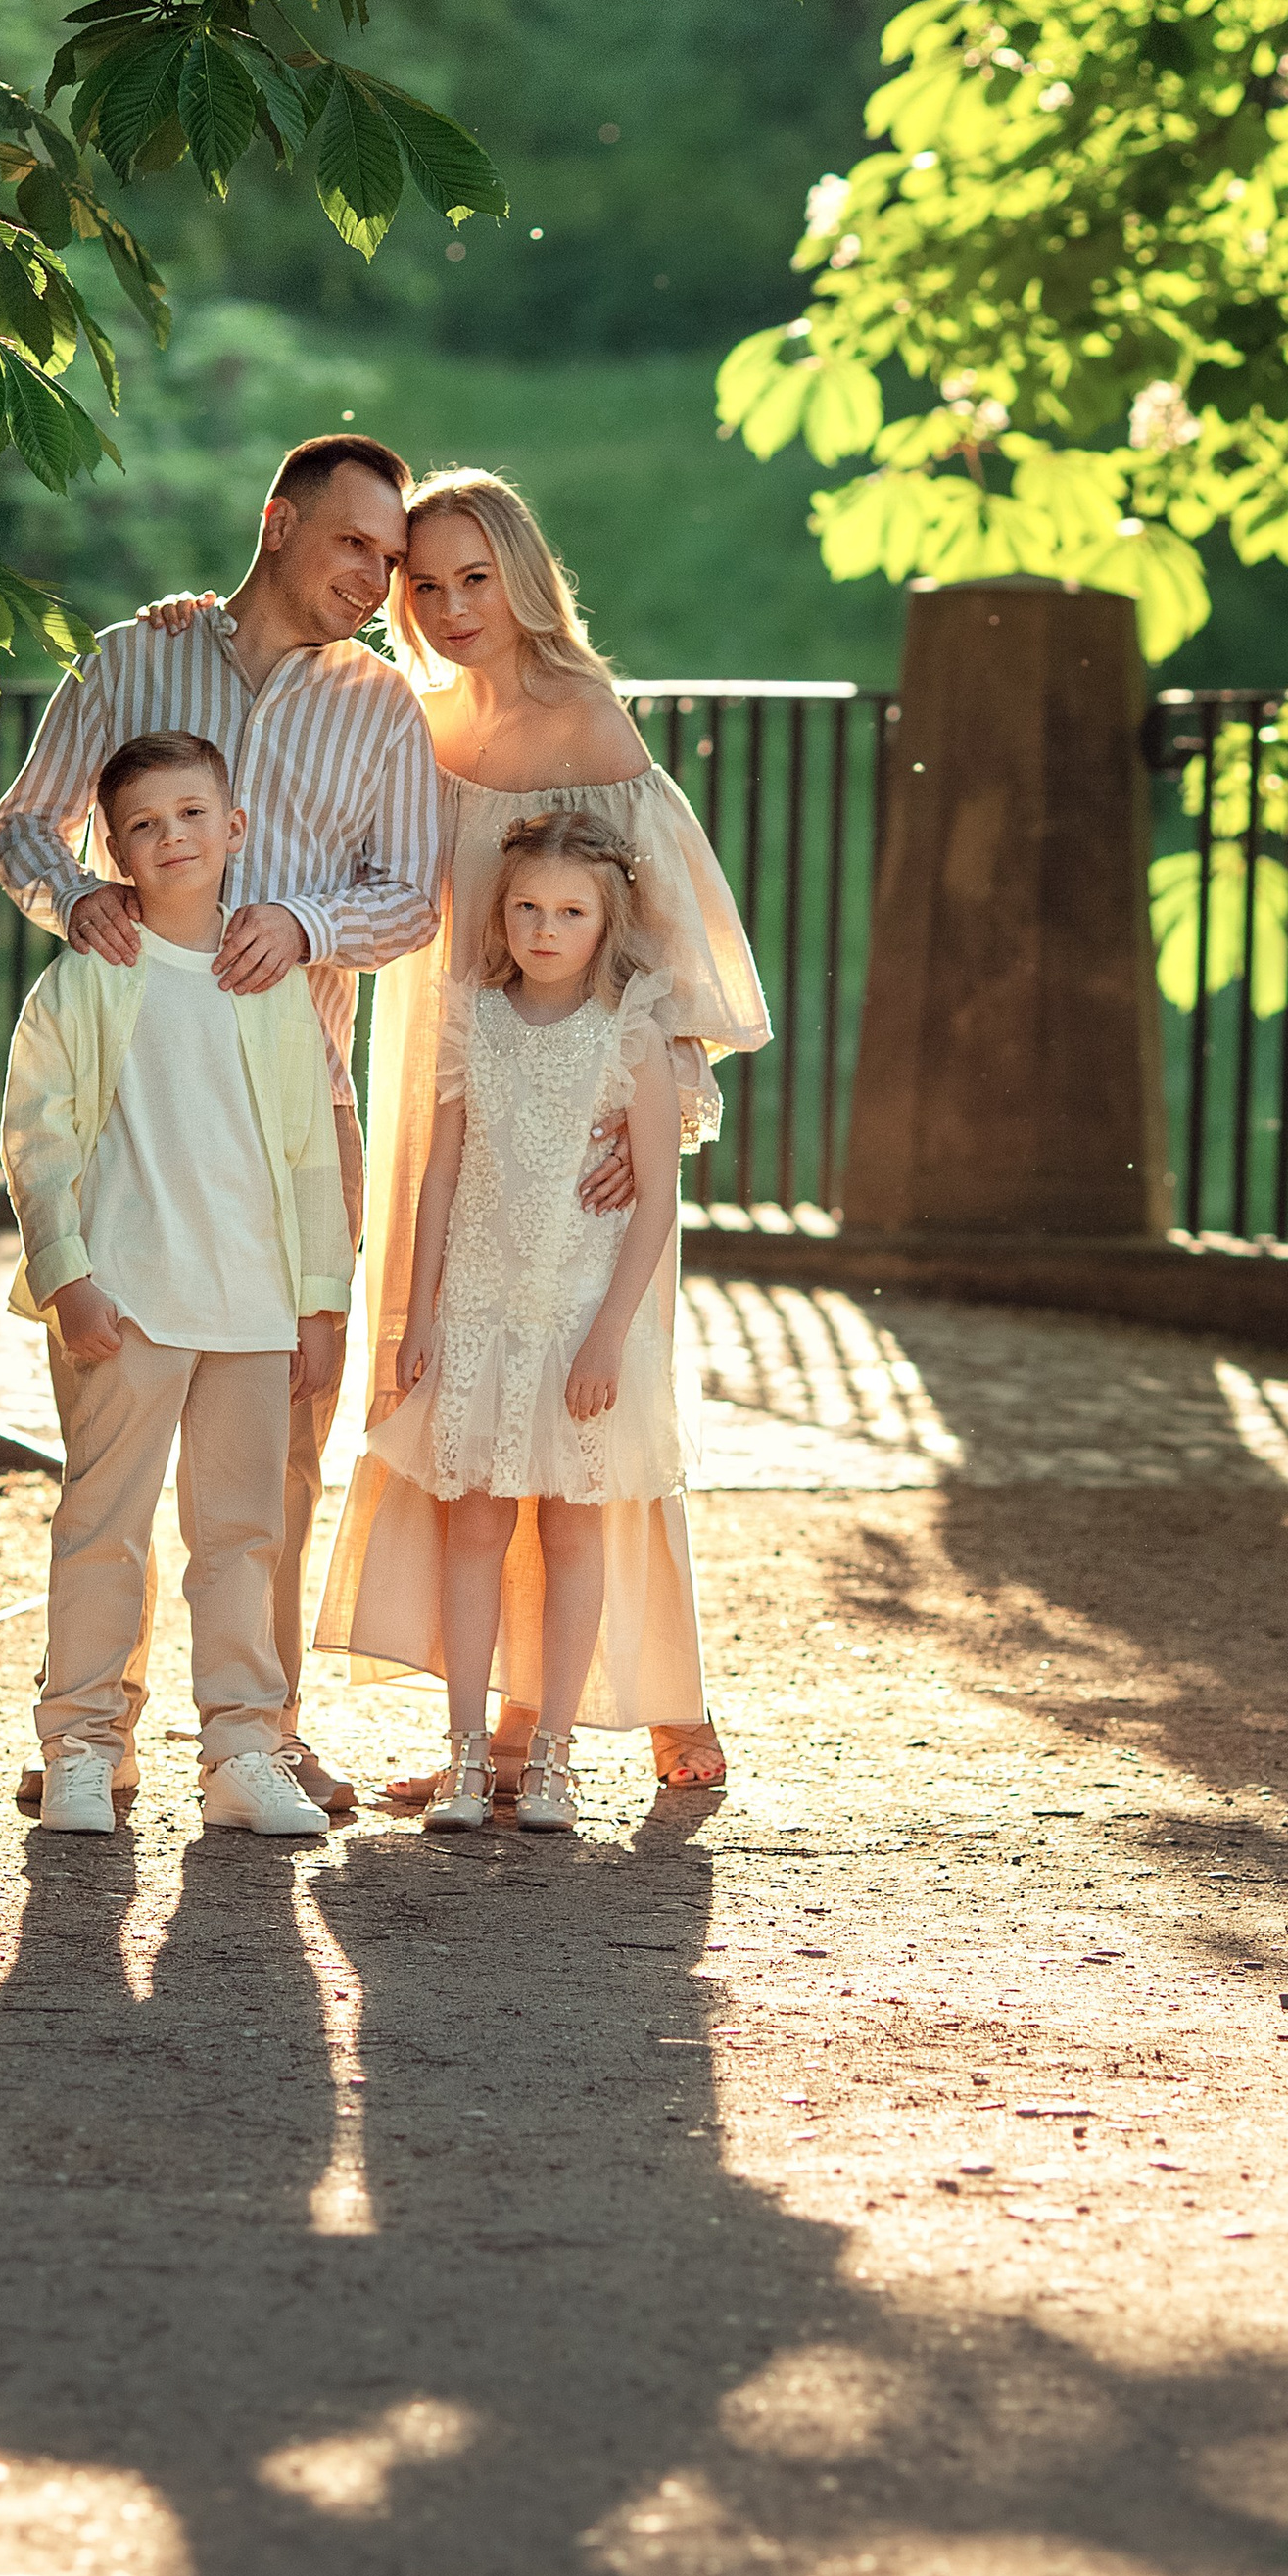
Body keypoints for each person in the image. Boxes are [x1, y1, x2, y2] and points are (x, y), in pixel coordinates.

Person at [0, 433, 447, 1817]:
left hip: (304, 1099)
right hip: (133, 1096)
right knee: (116, 1443)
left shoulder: (382, 706)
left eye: (393, 560)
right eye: (354, 544)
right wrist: (78, 899)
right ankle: (91, 1735)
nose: (375, 579)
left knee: (281, 1432)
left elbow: (414, 897)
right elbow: (24, 827)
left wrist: (304, 921)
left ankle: (258, 1732)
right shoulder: (139, 655)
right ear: (279, 521)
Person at [352, 470, 770, 1804]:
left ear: (524, 576)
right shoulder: (410, 722)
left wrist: (663, 1111)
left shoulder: (589, 718)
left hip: (584, 1122)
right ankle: (484, 1731)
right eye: (427, 583)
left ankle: (640, 1694)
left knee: (588, 1427)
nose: (453, 605)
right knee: (463, 1420)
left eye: (477, 576)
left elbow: (664, 935)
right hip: (453, 1085)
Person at [0, 730, 354, 1838]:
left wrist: (319, 1299)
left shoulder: (273, 985)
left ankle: (243, 1747)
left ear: (233, 828)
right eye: (145, 825)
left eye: (194, 814)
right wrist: (68, 1276)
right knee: (103, 1524)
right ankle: (83, 1744)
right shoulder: (85, 981)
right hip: (128, 1302)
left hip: (252, 1309)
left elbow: (307, 1153)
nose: (174, 838)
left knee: (243, 1534)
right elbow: (37, 1138)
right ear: (111, 850)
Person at [319, 811, 687, 1828]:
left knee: (573, 1529)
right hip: (478, 1312)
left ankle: (555, 1757)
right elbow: (439, 1172)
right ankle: (468, 1755)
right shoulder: (469, 1018)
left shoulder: (631, 1034)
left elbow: (654, 1198)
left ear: (605, 921)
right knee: (471, 1525)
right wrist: (421, 1309)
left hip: (577, 1319)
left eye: (569, 910)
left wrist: (611, 1330)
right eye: (525, 906)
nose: (543, 926)